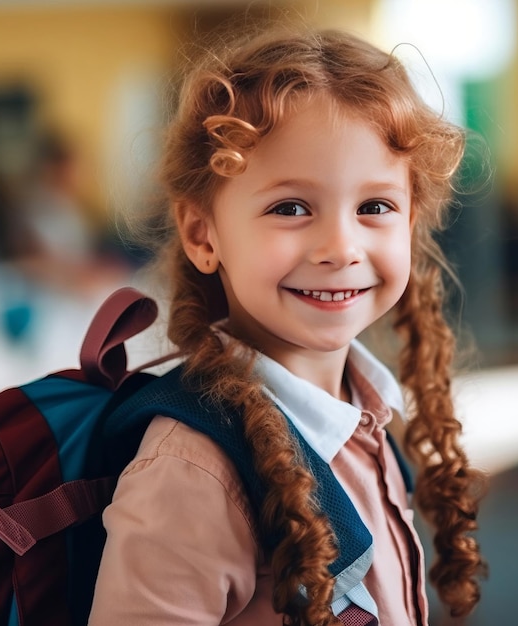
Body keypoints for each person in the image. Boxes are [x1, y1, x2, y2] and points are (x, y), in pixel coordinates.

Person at [88, 23, 487, 626]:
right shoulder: (192, 472)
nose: (340, 247)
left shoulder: (365, 417)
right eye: (290, 208)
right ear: (203, 233)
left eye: (374, 207)